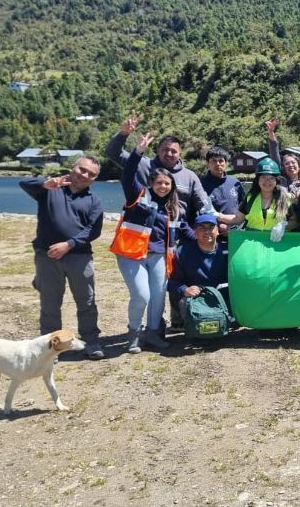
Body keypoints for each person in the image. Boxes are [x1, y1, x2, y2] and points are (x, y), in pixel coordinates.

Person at [111, 132, 190, 353]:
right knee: (141, 295)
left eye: (167, 183)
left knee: (157, 297)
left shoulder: (173, 209)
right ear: (151, 183)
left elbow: (186, 231)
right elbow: (127, 174)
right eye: (159, 183)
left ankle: (153, 335)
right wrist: (138, 151)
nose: (163, 186)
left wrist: (210, 236)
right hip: (131, 254)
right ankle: (133, 335)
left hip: (158, 257)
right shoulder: (138, 195)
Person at [19, 157, 105, 360]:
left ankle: (91, 341)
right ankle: (50, 348)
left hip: (79, 257)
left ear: (94, 179)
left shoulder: (94, 201)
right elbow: (23, 184)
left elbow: (93, 230)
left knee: (87, 301)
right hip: (47, 256)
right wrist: (44, 183)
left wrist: (69, 244)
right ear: (73, 168)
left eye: (91, 174)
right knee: (50, 303)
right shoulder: (50, 189)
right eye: (82, 169)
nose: (84, 175)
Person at [105, 110, 212, 221]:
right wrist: (123, 134)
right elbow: (112, 153)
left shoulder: (190, 177)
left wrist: (216, 218)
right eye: (165, 149)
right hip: (144, 227)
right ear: (158, 150)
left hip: (176, 230)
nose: (169, 154)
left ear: (180, 153)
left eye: (173, 151)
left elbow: (203, 202)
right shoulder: (142, 164)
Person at [168, 214, 231, 326]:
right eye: (201, 228)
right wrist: (185, 290)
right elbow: (171, 282)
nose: (207, 231)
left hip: (222, 297)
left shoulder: (227, 251)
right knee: (184, 303)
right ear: (194, 231)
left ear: (217, 230)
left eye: (211, 227)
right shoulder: (182, 252)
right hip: (197, 299)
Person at [217, 158, 297, 240]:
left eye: (271, 178)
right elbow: (237, 219)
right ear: (258, 180)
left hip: (278, 243)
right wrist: (218, 215)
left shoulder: (287, 198)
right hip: (253, 244)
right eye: (263, 177)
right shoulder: (250, 198)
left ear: (276, 180)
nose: (267, 181)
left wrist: (283, 225)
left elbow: (295, 221)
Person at [200, 145, 245, 226]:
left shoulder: (235, 183)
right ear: (207, 164)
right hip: (212, 231)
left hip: (236, 231)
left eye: (221, 161)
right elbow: (200, 212)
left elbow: (244, 208)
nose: (218, 164)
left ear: (226, 163)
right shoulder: (201, 185)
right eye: (213, 161)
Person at [266, 117, 300, 197]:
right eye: (287, 163)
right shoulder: (280, 180)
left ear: (299, 166)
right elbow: (274, 154)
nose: (291, 165)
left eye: (293, 162)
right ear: (283, 167)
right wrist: (271, 132)